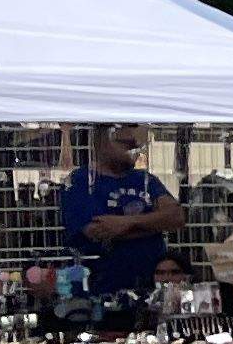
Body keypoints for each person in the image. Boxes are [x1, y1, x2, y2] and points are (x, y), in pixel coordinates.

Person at [57, 124, 178, 297]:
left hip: (151, 291)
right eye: (125, 145)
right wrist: (155, 224)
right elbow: (98, 230)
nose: (133, 151)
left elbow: (175, 216)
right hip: (100, 292)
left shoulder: (144, 178)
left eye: (135, 147)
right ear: (102, 141)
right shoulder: (80, 181)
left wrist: (125, 223)